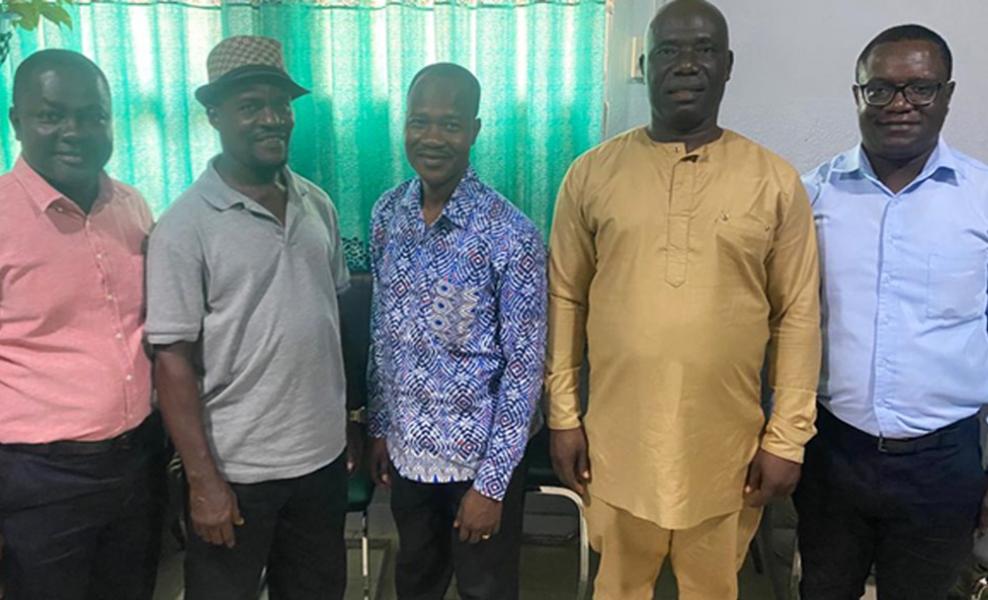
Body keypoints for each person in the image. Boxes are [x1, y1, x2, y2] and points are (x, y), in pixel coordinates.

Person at [545, 1, 822, 598]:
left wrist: (786, 438)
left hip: (726, 450)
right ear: (645, 65)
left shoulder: (775, 182)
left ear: (727, 65)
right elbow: (565, 298)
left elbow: (798, 313)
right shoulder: (591, 174)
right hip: (618, 446)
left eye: (703, 50)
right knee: (618, 588)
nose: (686, 64)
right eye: (669, 50)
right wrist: (563, 415)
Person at [146, 36, 360, 600]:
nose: (273, 119)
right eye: (250, 107)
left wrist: (347, 420)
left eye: (281, 105)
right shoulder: (184, 227)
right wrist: (202, 481)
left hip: (319, 461)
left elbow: (326, 320)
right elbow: (170, 362)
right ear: (214, 115)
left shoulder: (317, 205)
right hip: (235, 472)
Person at [797, 24, 988, 600]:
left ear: (947, 95)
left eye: (920, 88)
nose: (900, 103)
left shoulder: (982, 199)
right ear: (857, 96)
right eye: (879, 89)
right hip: (833, 452)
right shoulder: (810, 198)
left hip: (945, 459)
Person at [366, 63, 547, 600]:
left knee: (484, 590)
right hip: (407, 454)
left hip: (478, 463)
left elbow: (524, 370)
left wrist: (491, 485)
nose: (432, 138)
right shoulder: (386, 215)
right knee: (415, 583)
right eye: (420, 122)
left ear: (474, 130)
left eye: (450, 124)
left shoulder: (510, 235)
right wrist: (379, 425)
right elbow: (382, 334)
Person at [0, 49, 163, 600]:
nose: (75, 130)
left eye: (93, 115)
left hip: (139, 458)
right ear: (17, 121)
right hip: (39, 474)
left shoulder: (133, 207)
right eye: (52, 115)